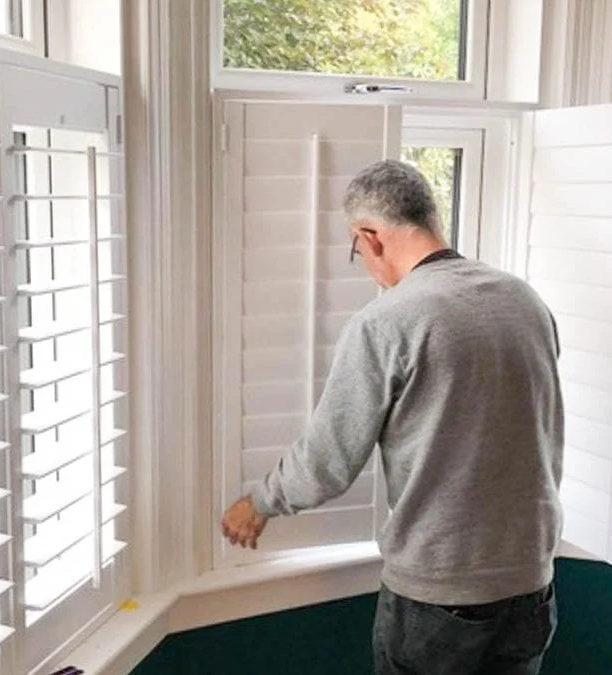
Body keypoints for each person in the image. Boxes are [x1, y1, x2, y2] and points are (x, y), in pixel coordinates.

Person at [221, 160, 563, 675]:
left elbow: (328, 461)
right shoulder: (524, 300)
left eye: (357, 250)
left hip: (439, 596)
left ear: (370, 236)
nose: (364, 262)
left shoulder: (389, 322)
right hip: (530, 585)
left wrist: (260, 502)